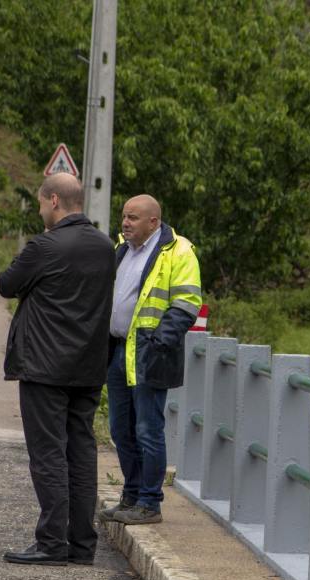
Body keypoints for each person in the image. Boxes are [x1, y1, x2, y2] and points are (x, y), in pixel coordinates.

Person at [0, 172, 116, 566]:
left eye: (39, 202)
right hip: (88, 365)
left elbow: (6, 284)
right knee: (82, 453)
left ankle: (51, 541)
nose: (38, 209)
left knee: (48, 454)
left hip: (45, 367)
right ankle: (82, 545)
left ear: (53, 201)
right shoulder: (105, 246)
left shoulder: (44, 246)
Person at [98, 195, 202, 525]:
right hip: (117, 350)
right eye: (124, 217)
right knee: (121, 428)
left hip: (148, 351)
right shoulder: (122, 249)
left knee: (147, 429)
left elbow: (187, 303)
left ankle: (149, 502)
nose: (125, 223)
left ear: (153, 222)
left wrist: (158, 343)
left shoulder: (179, 251)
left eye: (133, 218)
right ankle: (130, 496)